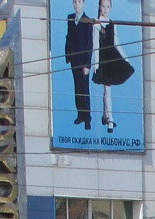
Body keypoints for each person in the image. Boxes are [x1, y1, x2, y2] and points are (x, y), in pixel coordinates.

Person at [92, 0, 134, 133]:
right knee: (107, 89)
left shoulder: (112, 24)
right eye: (103, 6)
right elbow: (95, 46)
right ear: (99, 7)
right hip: (103, 59)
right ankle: (110, 119)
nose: (105, 9)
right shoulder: (96, 24)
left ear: (111, 8)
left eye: (108, 7)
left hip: (112, 57)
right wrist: (96, 64)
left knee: (108, 89)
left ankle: (106, 117)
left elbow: (117, 43)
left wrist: (126, 58)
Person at [65, 0, 94, 130]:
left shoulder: (87, 20)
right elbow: (69, 36)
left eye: (79, 2)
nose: (76, 4)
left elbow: (89, 44)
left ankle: (87, 118)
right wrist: (68, 55)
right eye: (75, 2)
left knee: (84, 89)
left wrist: (87, 65)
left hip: (83, 61)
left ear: (83, 4)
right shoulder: (70, 18)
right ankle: (80, 115)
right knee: (77, 88)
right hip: (74, 60)